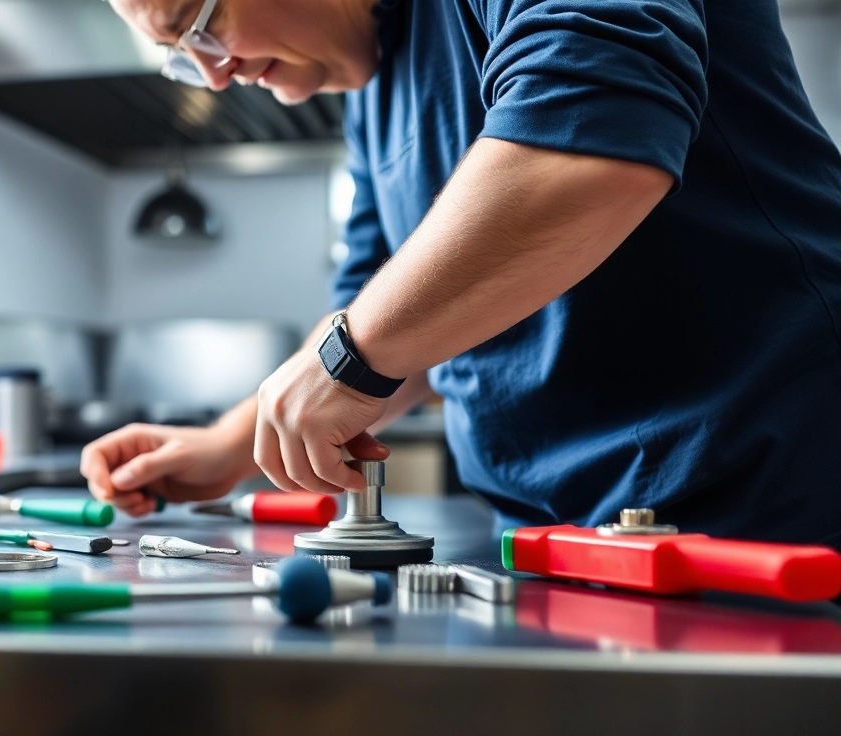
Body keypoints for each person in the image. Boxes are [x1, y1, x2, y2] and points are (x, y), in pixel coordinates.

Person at [83, 0, 841, 546]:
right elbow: (389, 316)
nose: (213, 76)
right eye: (184, 55)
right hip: (554, 536)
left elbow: (601, 130)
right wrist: (225, 449)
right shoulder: (368, 85)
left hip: (767, 495)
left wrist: (349, 356)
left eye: (200, 22)